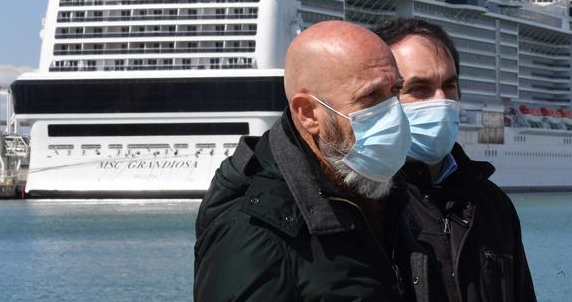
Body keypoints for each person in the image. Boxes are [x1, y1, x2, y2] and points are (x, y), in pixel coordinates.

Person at [194, 21, 430, 301]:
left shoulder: (389, 193)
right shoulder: (254, 233)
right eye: (370, 97)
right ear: (308, 113)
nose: (392, 113)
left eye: (394, 92)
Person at [374, 18, 536, 302]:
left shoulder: (492, 203)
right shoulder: (364, 202)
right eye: (419, 88)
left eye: (449, 86)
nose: (441, 100)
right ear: (382, 98)